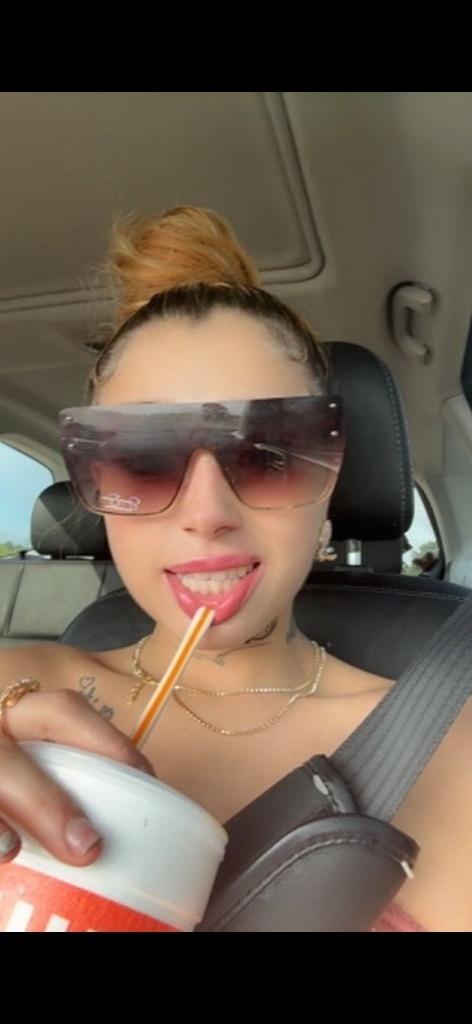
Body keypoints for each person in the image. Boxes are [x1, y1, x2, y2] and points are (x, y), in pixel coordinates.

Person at [0, 206, 470, 933]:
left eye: (268, 455)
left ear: (332, 476)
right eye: (143, 459)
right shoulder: (15, 690)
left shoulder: (452, 752)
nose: (206, 512)